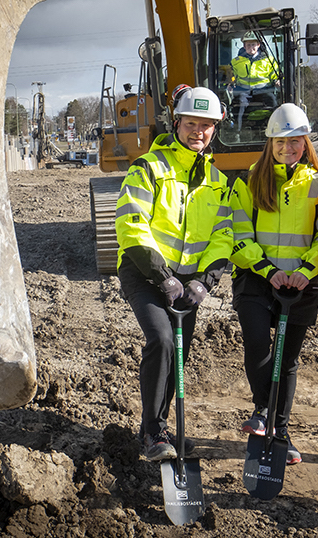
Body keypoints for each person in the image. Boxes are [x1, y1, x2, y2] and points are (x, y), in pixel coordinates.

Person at [115, 85, 234, 461]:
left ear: (216, 129)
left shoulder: (217, 181)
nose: (199, 131)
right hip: (144, 273)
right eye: (192, 123)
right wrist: (162, 275)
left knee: (178, 355)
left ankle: (158, 427)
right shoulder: (149, 167)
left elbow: (223, 235)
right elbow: (132, 224)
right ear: (177, 122)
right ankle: (153, 432)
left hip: (188, 284)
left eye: (207, 125)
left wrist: (205, 281)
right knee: (163, 341)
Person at [228, 103, 318, 465]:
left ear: (305, 143)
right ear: (269, 142)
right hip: (256, 278)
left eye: (295, 141)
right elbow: (237, 233)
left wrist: (305, 272)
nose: (288, 148)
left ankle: (280, 430)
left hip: (301, 280)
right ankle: (263, 412)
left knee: (286, 360)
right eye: (280, 141)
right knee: (258, 344)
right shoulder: (249, 180)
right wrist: (266, 269)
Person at [231, 31, 280, 131]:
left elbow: (275, 75)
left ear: (258, 45)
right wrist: (230, 82)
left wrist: (277, 81)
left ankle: (275, 130)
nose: (251, 47)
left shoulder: (269, 60)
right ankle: (237, 133)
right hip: (244, 91)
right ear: (244, 46)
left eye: (253, 44)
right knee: (238, 106)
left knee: (273, 103)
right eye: (248, 45)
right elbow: (231, 76)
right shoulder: (235, 62)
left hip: (264, 90)